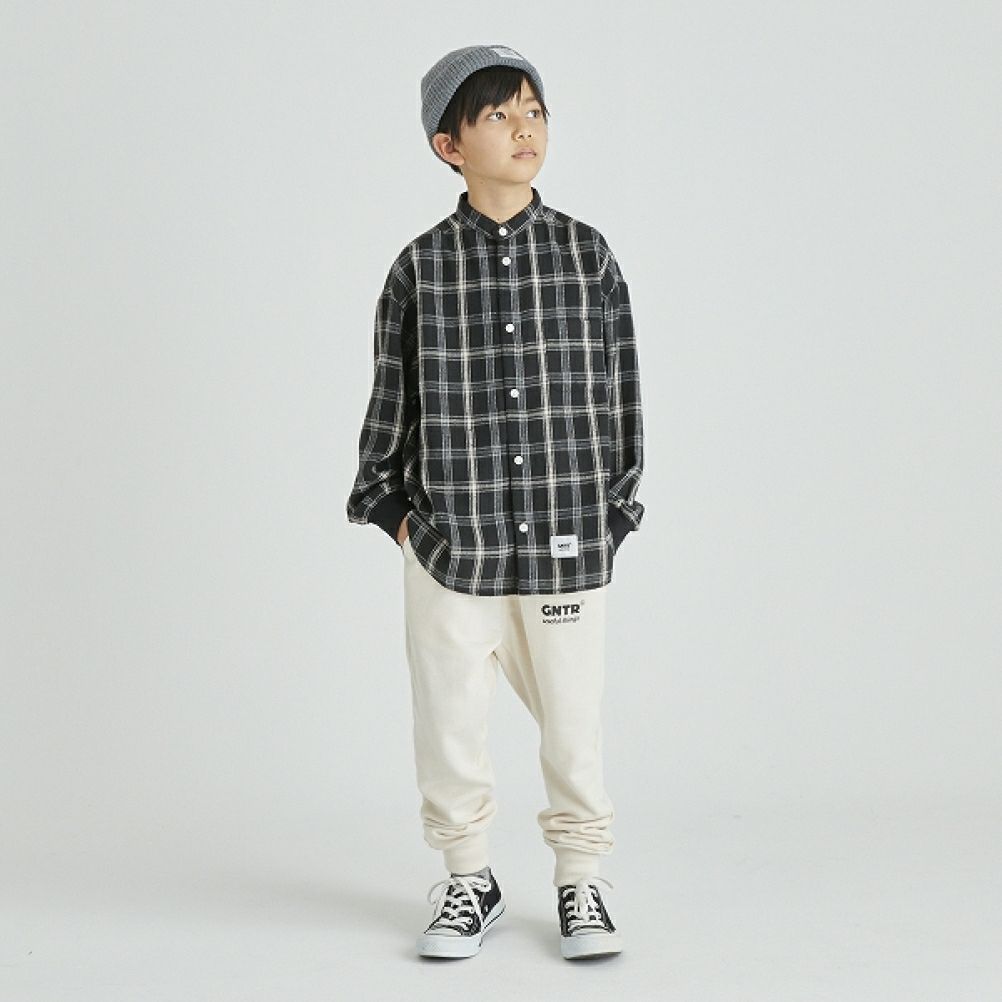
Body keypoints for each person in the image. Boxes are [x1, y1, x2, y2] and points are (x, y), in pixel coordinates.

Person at [345, 43, 645, 961]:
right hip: (450, 543)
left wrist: (614, 512)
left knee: (574, 722)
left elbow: (621, 394)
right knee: (449, 722)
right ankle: (467, 876)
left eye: (535, 112)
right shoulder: (420, 269)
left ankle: (582, 881)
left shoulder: (586, 255)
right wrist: (398, 517)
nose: (525, 129)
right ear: (450, 145)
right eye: (500, 115)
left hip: (566, 539)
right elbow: (392, 400)